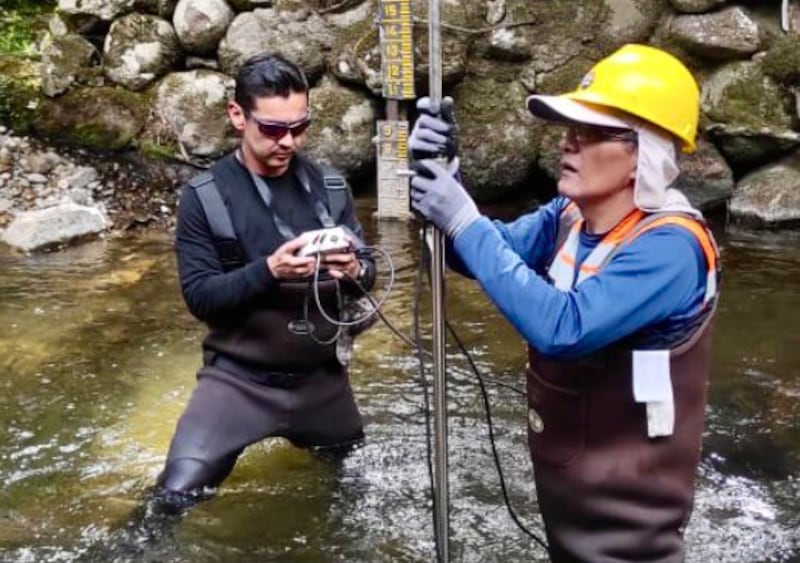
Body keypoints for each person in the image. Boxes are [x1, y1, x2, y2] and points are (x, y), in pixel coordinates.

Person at [408, 44, 721, 561]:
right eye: (568, 130)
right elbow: (482, 253)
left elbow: (564, 327)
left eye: (590, 133)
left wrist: (460, 217)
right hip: (571, 509)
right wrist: (443, 178)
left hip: (630, 539)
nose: (568, 144)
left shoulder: (672, 248)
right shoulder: (569, 215)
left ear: (643, 153)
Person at [157, 52, 375, 503]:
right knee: (173, 497)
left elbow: (370, 272)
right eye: (273, 129)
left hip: (323, 381)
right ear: (237, 115)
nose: (288, 142)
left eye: (299, 127)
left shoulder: (331, 187)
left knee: (356, 489)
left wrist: (355, 269)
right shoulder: (205, 197)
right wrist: (270, 271)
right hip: (238, 381)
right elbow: (200, 297)